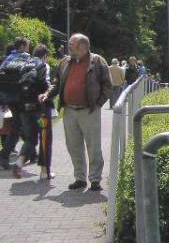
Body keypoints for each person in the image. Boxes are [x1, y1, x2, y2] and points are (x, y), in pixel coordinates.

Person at [43, 33, 111, 191]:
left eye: (71, 45)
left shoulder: (98, 61)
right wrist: (47, 94)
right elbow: (57, 82)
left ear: (83, 46)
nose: (69, 47)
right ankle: (80, 178)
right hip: (69, 111)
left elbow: (107, 86)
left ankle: (95, 179)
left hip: (89, 111)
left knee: (94, 146)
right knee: (73, 146)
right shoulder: (65, 61)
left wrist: (98, 104)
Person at [0, 37, 48, 178]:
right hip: (21, 97)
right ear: (22, 46)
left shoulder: (7, 59)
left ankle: (31, 154)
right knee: (18, 127)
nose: (28, 49)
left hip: (8, 98)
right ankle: (4, 156)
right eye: (27, 46)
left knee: (20, 125)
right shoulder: (28, 59)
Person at [32, 45, 56, 179]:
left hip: (27, 109)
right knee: (45, 137)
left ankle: (22, 159)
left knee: (31, 137)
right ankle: (44, 171)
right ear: (45, 56)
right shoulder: (43, 66)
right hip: (42, 108)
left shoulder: (27, 63)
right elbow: (45, 85)